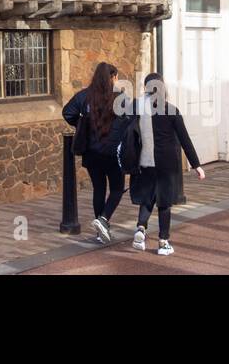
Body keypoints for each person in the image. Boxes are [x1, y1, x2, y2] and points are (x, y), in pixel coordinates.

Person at [129, 72, 205, 256]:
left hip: (145, 162)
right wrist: (197, 165)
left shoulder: (137, 109)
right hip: (166, 164)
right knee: (164, 203)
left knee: (147, 199)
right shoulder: (171, 110)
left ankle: (140, 229)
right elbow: (185, 140)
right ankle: (163, 242)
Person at [61, 62, 129, 243]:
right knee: (117, 189)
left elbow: (67, 112)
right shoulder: (120, 98)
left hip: (91, 152)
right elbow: (129, 120)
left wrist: (82, 124)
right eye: (115, 77)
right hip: (113, 152)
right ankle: (103, 220)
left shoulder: (84, 96)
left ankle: (101, 232)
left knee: (99, 189)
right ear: (112, 77)